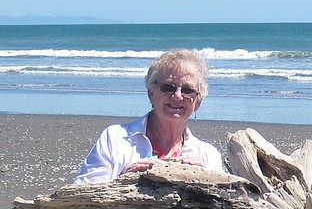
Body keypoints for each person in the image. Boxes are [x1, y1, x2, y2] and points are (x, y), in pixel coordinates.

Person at [73, 49, 226, 183]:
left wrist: (206, 180)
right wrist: (123, 181)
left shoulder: (207, 156)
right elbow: (78, 195)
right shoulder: (115, 139)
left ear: (197, 102)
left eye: (188, 90)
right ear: (152, 94)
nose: (178, 96)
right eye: (168, 87)